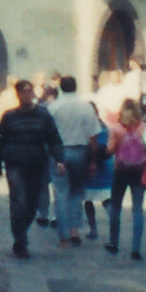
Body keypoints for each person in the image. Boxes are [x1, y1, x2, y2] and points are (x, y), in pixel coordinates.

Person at [0, 80, 62, 259]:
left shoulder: (43, 115)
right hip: (15, 164)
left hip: (37, 165)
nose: (27, 95)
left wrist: (59, 159)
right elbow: (0, 141)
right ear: (17, 95)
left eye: (29, 91)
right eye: (23, 92)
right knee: (18, 201)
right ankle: (20, 240)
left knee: (32, 204)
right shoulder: (9, 117)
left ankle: (21, 231)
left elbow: (54, 138)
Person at [46, 76, 104, 247]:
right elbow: (93, 135)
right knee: (77, 192)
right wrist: (93, 160)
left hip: (59, 152)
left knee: (60, 193)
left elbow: (46, 133)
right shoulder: (85, 107)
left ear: (61, 88)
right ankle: (74, 230)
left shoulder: (53, 107)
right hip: (80, 151)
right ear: (75, 87)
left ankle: (63, 235)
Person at [104, 99, 146, 258]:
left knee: (116, 207)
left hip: (121, 170)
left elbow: (110, 150)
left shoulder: (117, 129)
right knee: (137, 209)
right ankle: (136, 249)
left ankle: (113, 243)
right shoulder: (144, 128)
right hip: (139, 171)